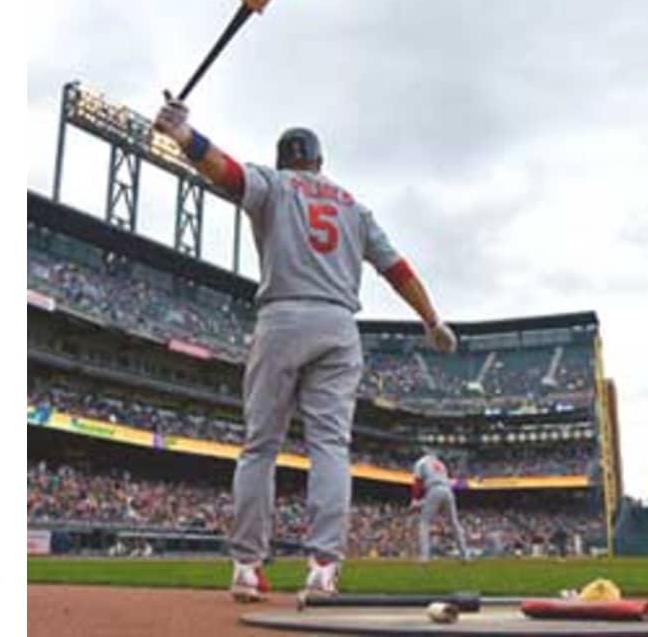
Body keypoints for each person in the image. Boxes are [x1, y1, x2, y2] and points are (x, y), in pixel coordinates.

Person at [153, 98, 458, 602]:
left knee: (260, 446)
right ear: (319, 162)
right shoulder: (353, 207)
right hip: (339, 325)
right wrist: (432, 319)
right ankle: (322, 568)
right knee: (330, 448)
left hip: (281, 317)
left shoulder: (273, 185)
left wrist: (186, 137)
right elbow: (397, 268)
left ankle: (248, 566)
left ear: (283, 159)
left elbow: (227, 173)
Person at [410, 449, 469, 562]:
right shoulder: (441, 464)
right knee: (454, 523)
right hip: (448, 491)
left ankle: (424, 557)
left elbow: (418, 482)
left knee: (424, 523)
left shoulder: (421, 462)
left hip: (433, 489)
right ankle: (465, 555)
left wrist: (415, 500)